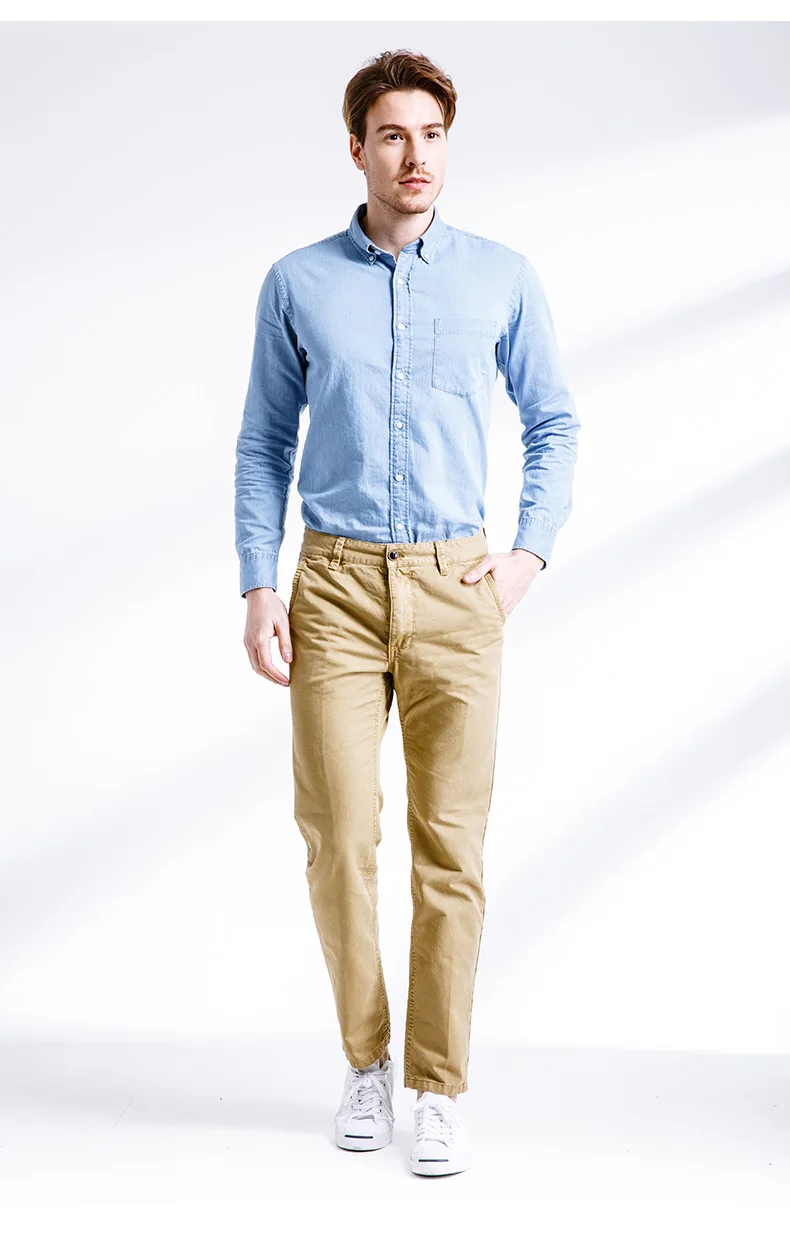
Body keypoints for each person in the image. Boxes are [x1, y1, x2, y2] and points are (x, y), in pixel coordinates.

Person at [234, 48, 580, 1177]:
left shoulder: (500, 276)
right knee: (338, 837)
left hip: (457, 585)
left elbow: (553, 420)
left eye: (431, 134)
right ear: (358, 149)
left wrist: (525, 555)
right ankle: (365, 1061)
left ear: (446, 144)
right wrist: (257, 582)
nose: (414, 155)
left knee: (451, 846)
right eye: (392, 134)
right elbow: (263, 442)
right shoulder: (296, 282)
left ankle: (435, 1084)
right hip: (331, 586)